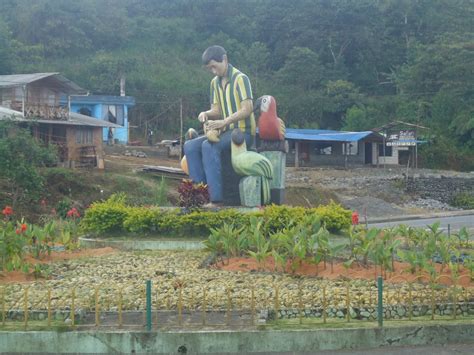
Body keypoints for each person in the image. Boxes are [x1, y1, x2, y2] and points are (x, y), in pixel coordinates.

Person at [184, 45, 256, 204]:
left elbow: (247, 108)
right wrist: (206, 114)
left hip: (243, 132)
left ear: (224, 59)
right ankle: (198, 195)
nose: (213, 71)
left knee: (209, 146)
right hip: (224, 132)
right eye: (210, 69)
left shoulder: (240, 79)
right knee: (190, 146)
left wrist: (225, 121)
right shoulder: (214, 83)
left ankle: (216, 199)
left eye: (214, 67)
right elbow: (216, 110)